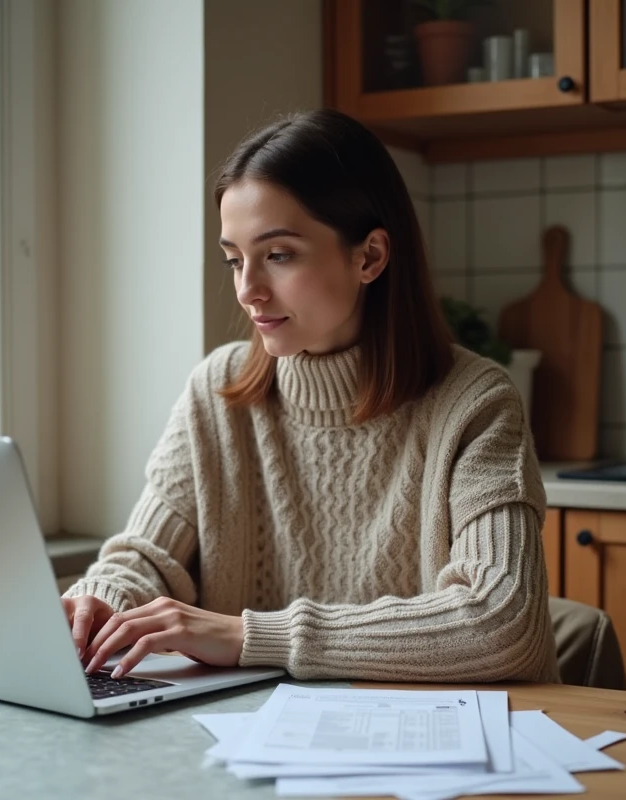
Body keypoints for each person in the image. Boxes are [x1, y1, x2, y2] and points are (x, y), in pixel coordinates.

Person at [62, 108, 558, 685]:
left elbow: (502, 622)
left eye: (278, 255)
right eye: (234, 259)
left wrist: (249, 637)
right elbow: (145, 559)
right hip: (253, 739)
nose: (248, 289)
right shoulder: (216, 394)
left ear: (369, 257)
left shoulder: (475, 404)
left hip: (426, 748)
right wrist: (96, 600)